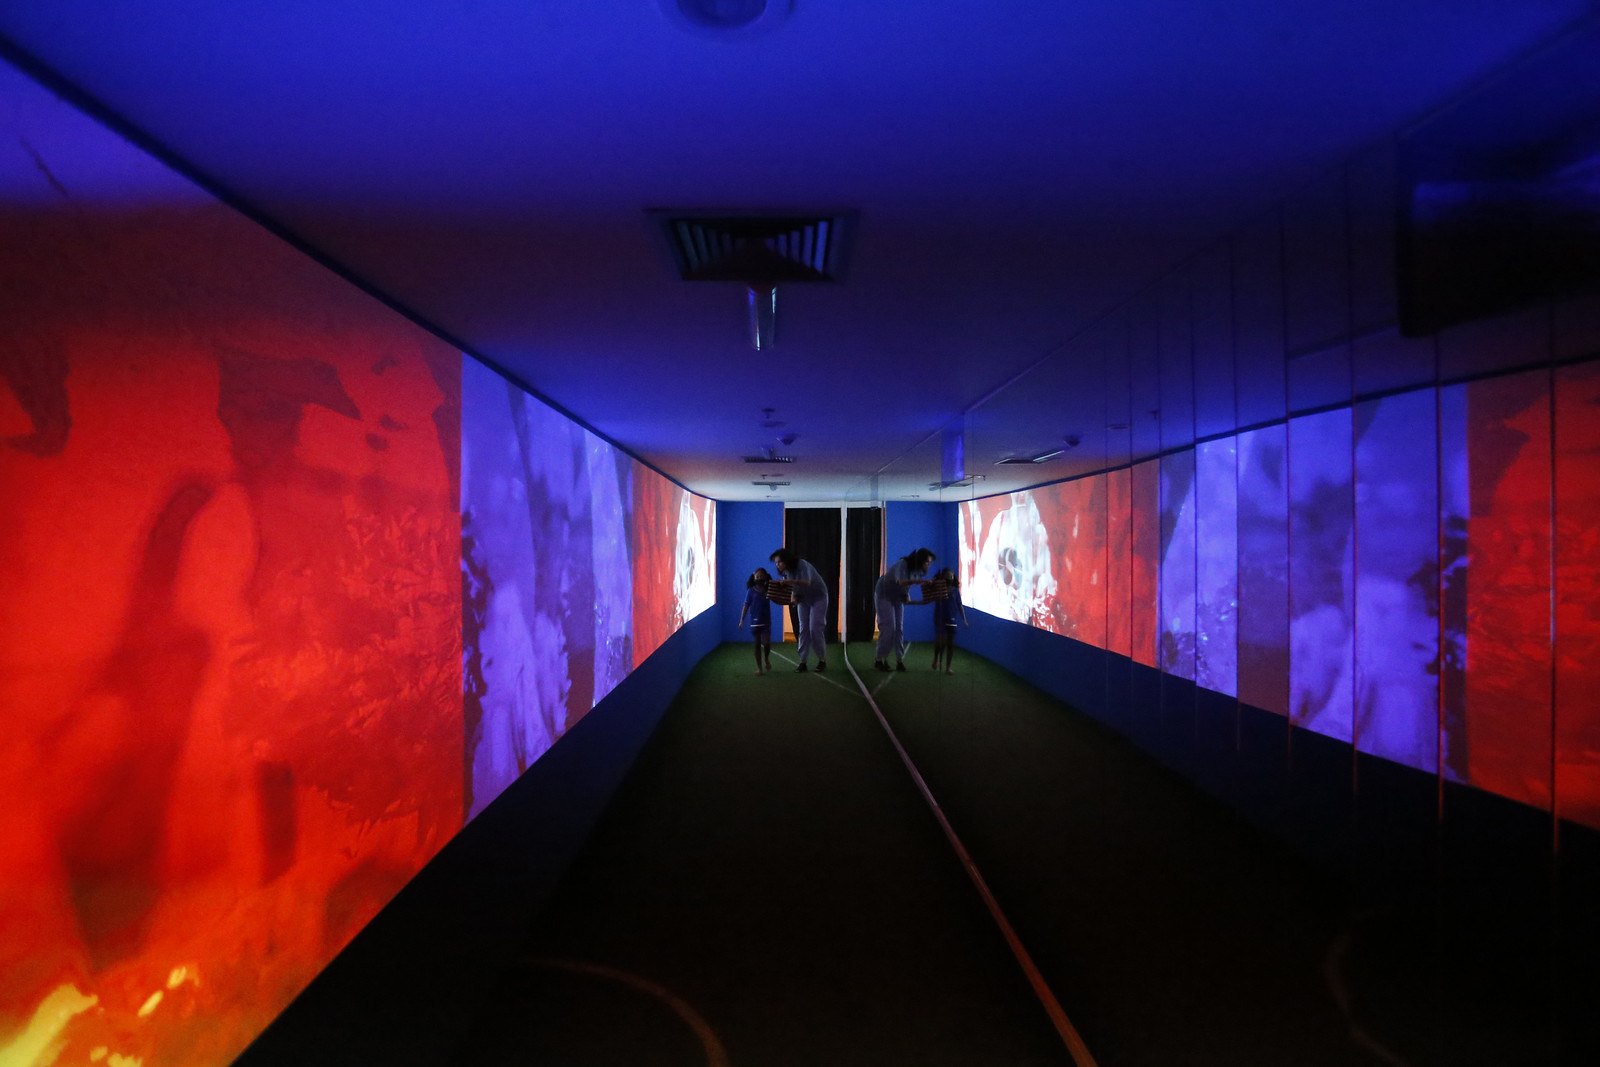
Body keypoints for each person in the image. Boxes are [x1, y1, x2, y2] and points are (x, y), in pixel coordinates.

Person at [874, 547, 936, 672]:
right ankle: (880, 659)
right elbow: (900, 581)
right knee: (889, 628)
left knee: (899, 628)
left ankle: (899, 660)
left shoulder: (919, 571)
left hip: (898, 597)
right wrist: (921, 581)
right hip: (884, 594)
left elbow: (907, 585)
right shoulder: (903, 564)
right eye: (927, 562)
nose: (929, 565)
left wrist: (906, 594)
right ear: (921, 561)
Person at [768, 547, 829, 672]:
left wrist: (789, 582)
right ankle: (803, 662)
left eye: (779, 562)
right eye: (776, 563)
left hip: (819, 597)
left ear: (786, 560)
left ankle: (821, 660)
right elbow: (793, 590)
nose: (777, 565)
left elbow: (807, 582)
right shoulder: (786, 572)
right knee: (803, 629)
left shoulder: (802, 565)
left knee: (815, 628)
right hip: (803, 599)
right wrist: (793, 597)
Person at [930, 568, 969, 673]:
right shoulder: (938, 589)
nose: (949, 579)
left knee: (951, 643)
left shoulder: (955, 591)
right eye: (947, 577)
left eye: (951, 577)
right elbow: (929, 589)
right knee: (941, 642)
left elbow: (959, 605)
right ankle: (936, 659)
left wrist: (964, 619)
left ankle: (948, 667)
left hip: (952, 620)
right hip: (940, 619)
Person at [737, 567, 774, 674]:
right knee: (757, 644)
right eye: (757, 576)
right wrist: (742, 620)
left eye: (761, 576)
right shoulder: (751, 591)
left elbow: (777, 597)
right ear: (754, 577)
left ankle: (766, 659)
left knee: (766, 643)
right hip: (755, 623)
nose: (759, 578)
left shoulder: (768, 590)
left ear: (765, 577)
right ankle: (760, 669)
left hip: (766, 621)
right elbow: (746, 605)